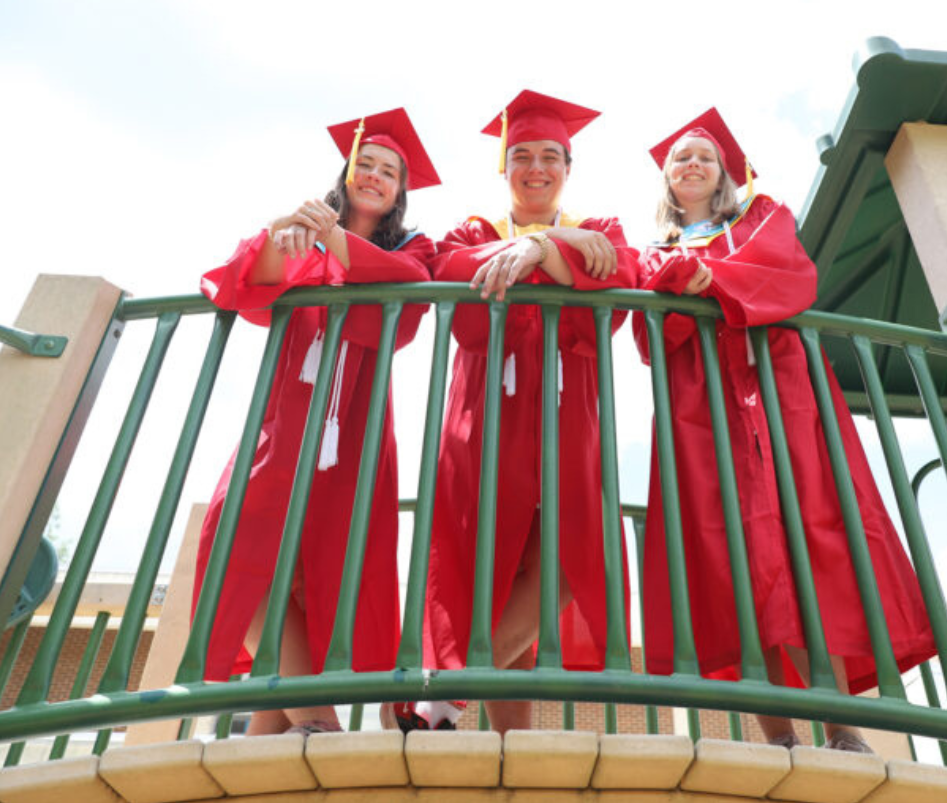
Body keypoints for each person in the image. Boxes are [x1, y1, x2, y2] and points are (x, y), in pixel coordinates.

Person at [634, 108, 936, 752]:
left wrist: (708, 279)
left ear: (725, 174)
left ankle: (840, 724)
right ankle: (778, 733)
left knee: (807, 538)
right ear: (666, 178)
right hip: (698, 403)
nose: (691, 164)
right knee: (731, 557)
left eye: (704, 158)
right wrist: (676, 283)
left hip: (779, 387)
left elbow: (788, 274)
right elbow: (648, 333)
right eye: (679, 158)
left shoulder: (763, 217)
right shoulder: (651, 248)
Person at [194, 108, 439, 735]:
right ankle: (320, 727)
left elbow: (408, 296)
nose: (376, 177)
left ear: (400, 193)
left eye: (390, 171)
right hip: (284, 419)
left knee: (310, 579)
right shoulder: (302, 227)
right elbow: (246, 283)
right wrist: (282, 236)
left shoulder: (413, 246)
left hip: (352, 431)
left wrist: (333, 244)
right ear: (347, 171)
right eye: (367, 164)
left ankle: (285, 744)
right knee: (236, 548)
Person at [419, 90, 637, 734]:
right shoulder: (472, 233)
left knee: (573, 559)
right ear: (503, 168)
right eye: (521, 156)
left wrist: (544, 249)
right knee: (491, 564)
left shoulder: (602, 230)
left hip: (569, 423)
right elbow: (452, 272)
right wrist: (555, 253)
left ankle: (447, 693)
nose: (535, 168)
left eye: (550, 156)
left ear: (568, 168)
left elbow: (620, 272)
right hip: (484, 421)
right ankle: (511, 748)